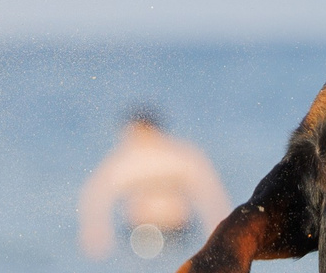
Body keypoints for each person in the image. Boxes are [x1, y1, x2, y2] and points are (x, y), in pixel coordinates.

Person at [77, 108, 230, 260]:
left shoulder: (180, 156)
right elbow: (96, 196)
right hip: (140, 235)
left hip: (178, 233)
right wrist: (95, 230)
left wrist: (221, 232)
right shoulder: (124, 161)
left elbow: (210, 194)